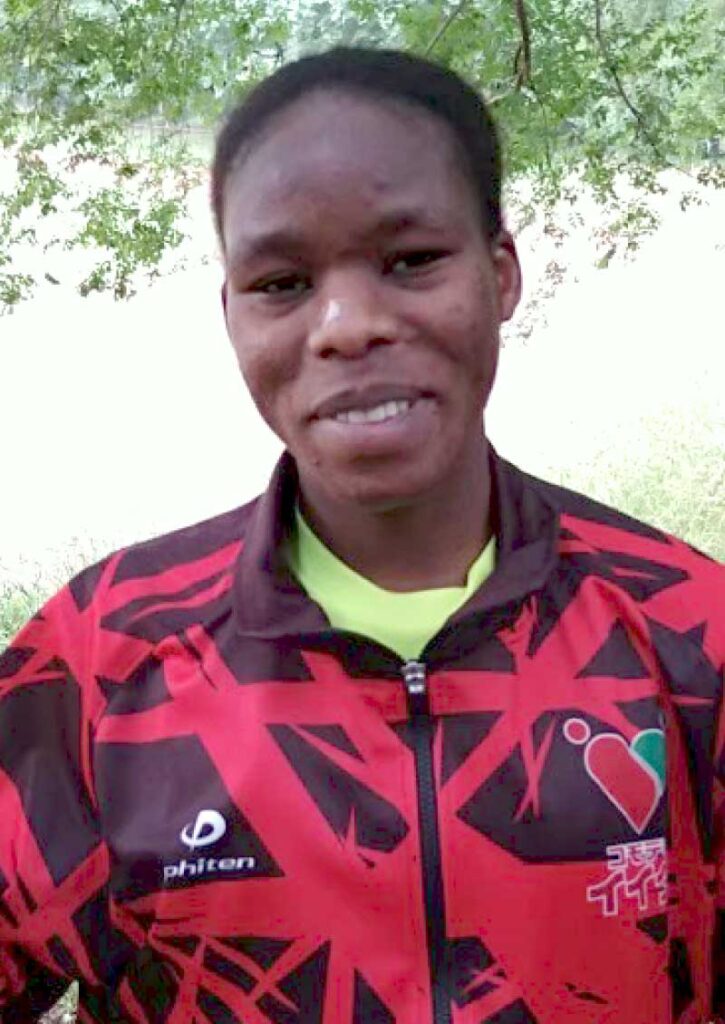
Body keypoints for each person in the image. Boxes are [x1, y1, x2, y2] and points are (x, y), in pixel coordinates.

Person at [0, 46, 722, 1024]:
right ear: (230, 314)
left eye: (410, 260)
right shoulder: (104, 660)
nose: (345, 324)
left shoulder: (687, 633)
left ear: (500, 274)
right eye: (281, 282)